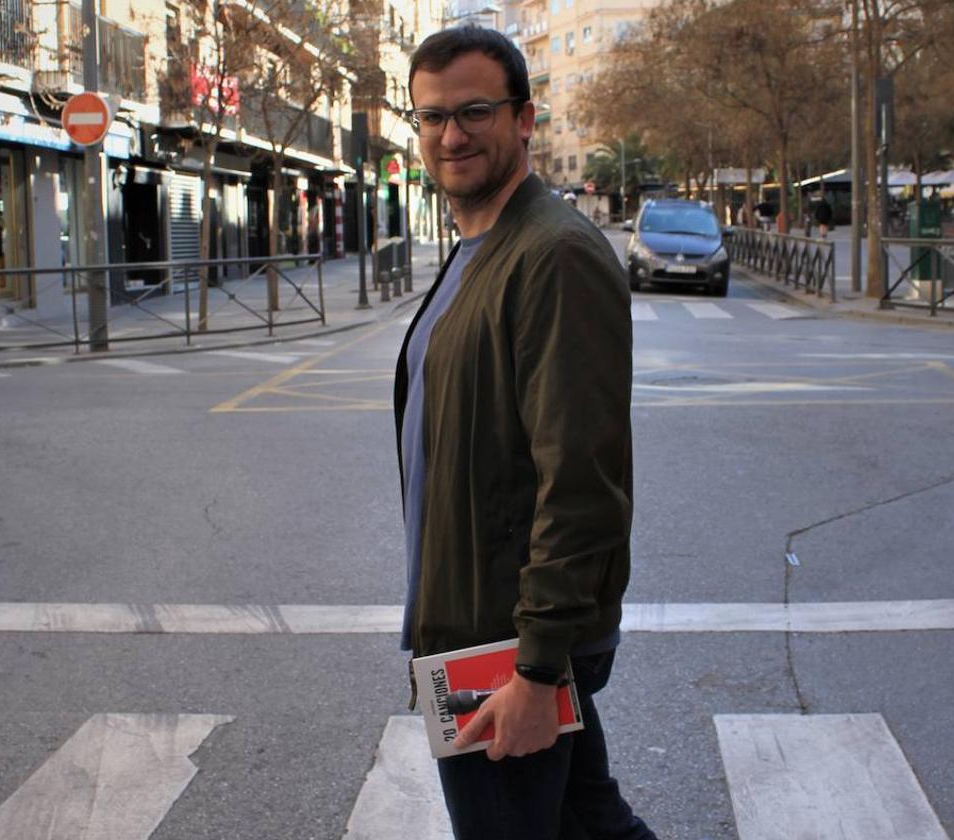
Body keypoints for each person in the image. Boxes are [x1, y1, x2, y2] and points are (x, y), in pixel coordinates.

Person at [394, 26, 657, 840]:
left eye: (474, 111)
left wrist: (538, 668)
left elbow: (580, 480)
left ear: (525, 119)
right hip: (489, 625)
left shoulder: (553, 256)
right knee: (589, 823)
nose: (450, 135)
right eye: (431, 117)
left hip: (503, 645)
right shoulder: (483, 246)